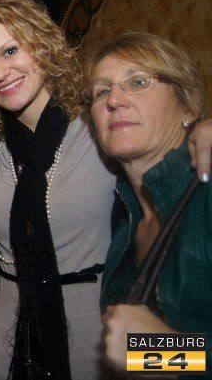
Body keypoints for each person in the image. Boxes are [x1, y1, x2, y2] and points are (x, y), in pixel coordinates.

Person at [0, 0, 212, 379]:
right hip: (9, 357)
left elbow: (170, 350)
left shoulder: (111, 141)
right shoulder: (132, 221)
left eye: (10, 51)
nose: (0, 73)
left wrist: (158, 354)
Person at [84, 32, 212, 375]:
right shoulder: (126, 221)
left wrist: (163, 353)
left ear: (189, 107)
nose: (114, 100)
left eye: (138, 82)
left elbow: (152, 353)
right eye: (101, 91)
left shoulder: (206, 195)